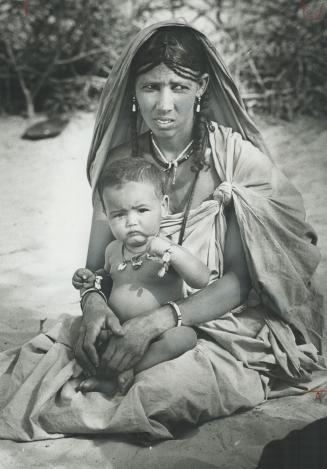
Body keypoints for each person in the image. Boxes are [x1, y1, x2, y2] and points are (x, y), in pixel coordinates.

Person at [0, 20, 325, 442]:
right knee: (37, 371)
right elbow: (97, 265)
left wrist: (158, 321)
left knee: (161, 395)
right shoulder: (122, 163)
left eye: (178, 86)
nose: (164, 104)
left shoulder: (233, 160)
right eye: (150, 87)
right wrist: (95, 304)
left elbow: (237, 283)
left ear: (203, 87)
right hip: (127, 316)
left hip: (217, 323)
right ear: (133, 92)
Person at [72, 157, 210, 395]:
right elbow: (105, 277)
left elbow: (202, 279)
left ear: (163, 206)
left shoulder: (167, 247)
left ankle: (129, 369)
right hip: (117, 328)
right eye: (118, 215)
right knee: (80, 329)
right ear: (106, 215)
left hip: (158, 332)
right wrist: (88, 279)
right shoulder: (113, 250)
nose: (131, 222)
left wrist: (172, 252)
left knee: (184, 337)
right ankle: (107, 371)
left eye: (142, 210)